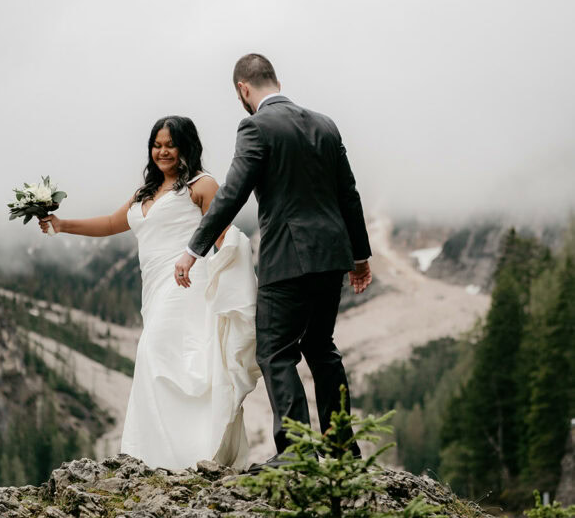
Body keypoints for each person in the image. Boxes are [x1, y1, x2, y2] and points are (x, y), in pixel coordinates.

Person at [174, 54, 372, 469]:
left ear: (243, 89)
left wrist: (194, 249)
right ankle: (343, 451)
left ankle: (299, 453)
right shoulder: (325, 124)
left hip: (288, 257)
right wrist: (359, 256)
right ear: (274, 80)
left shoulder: (255, 126)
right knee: (322, 348)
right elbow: (348, 193)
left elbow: (233, 193)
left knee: (275, 350)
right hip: (333, 254)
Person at [38, 116, 259, 471]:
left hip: (188, 283)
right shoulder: (145, 192)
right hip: (155, 289)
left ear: (186, 145)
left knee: (165, 355)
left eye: (170, 144)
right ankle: (158, 457)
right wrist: (63, 225)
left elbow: (222, 233)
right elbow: (112, 223)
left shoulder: (202, 185)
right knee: (161, 360)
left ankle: (195, 450)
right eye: (156, 145)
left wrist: (233, 266)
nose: (162, 151)